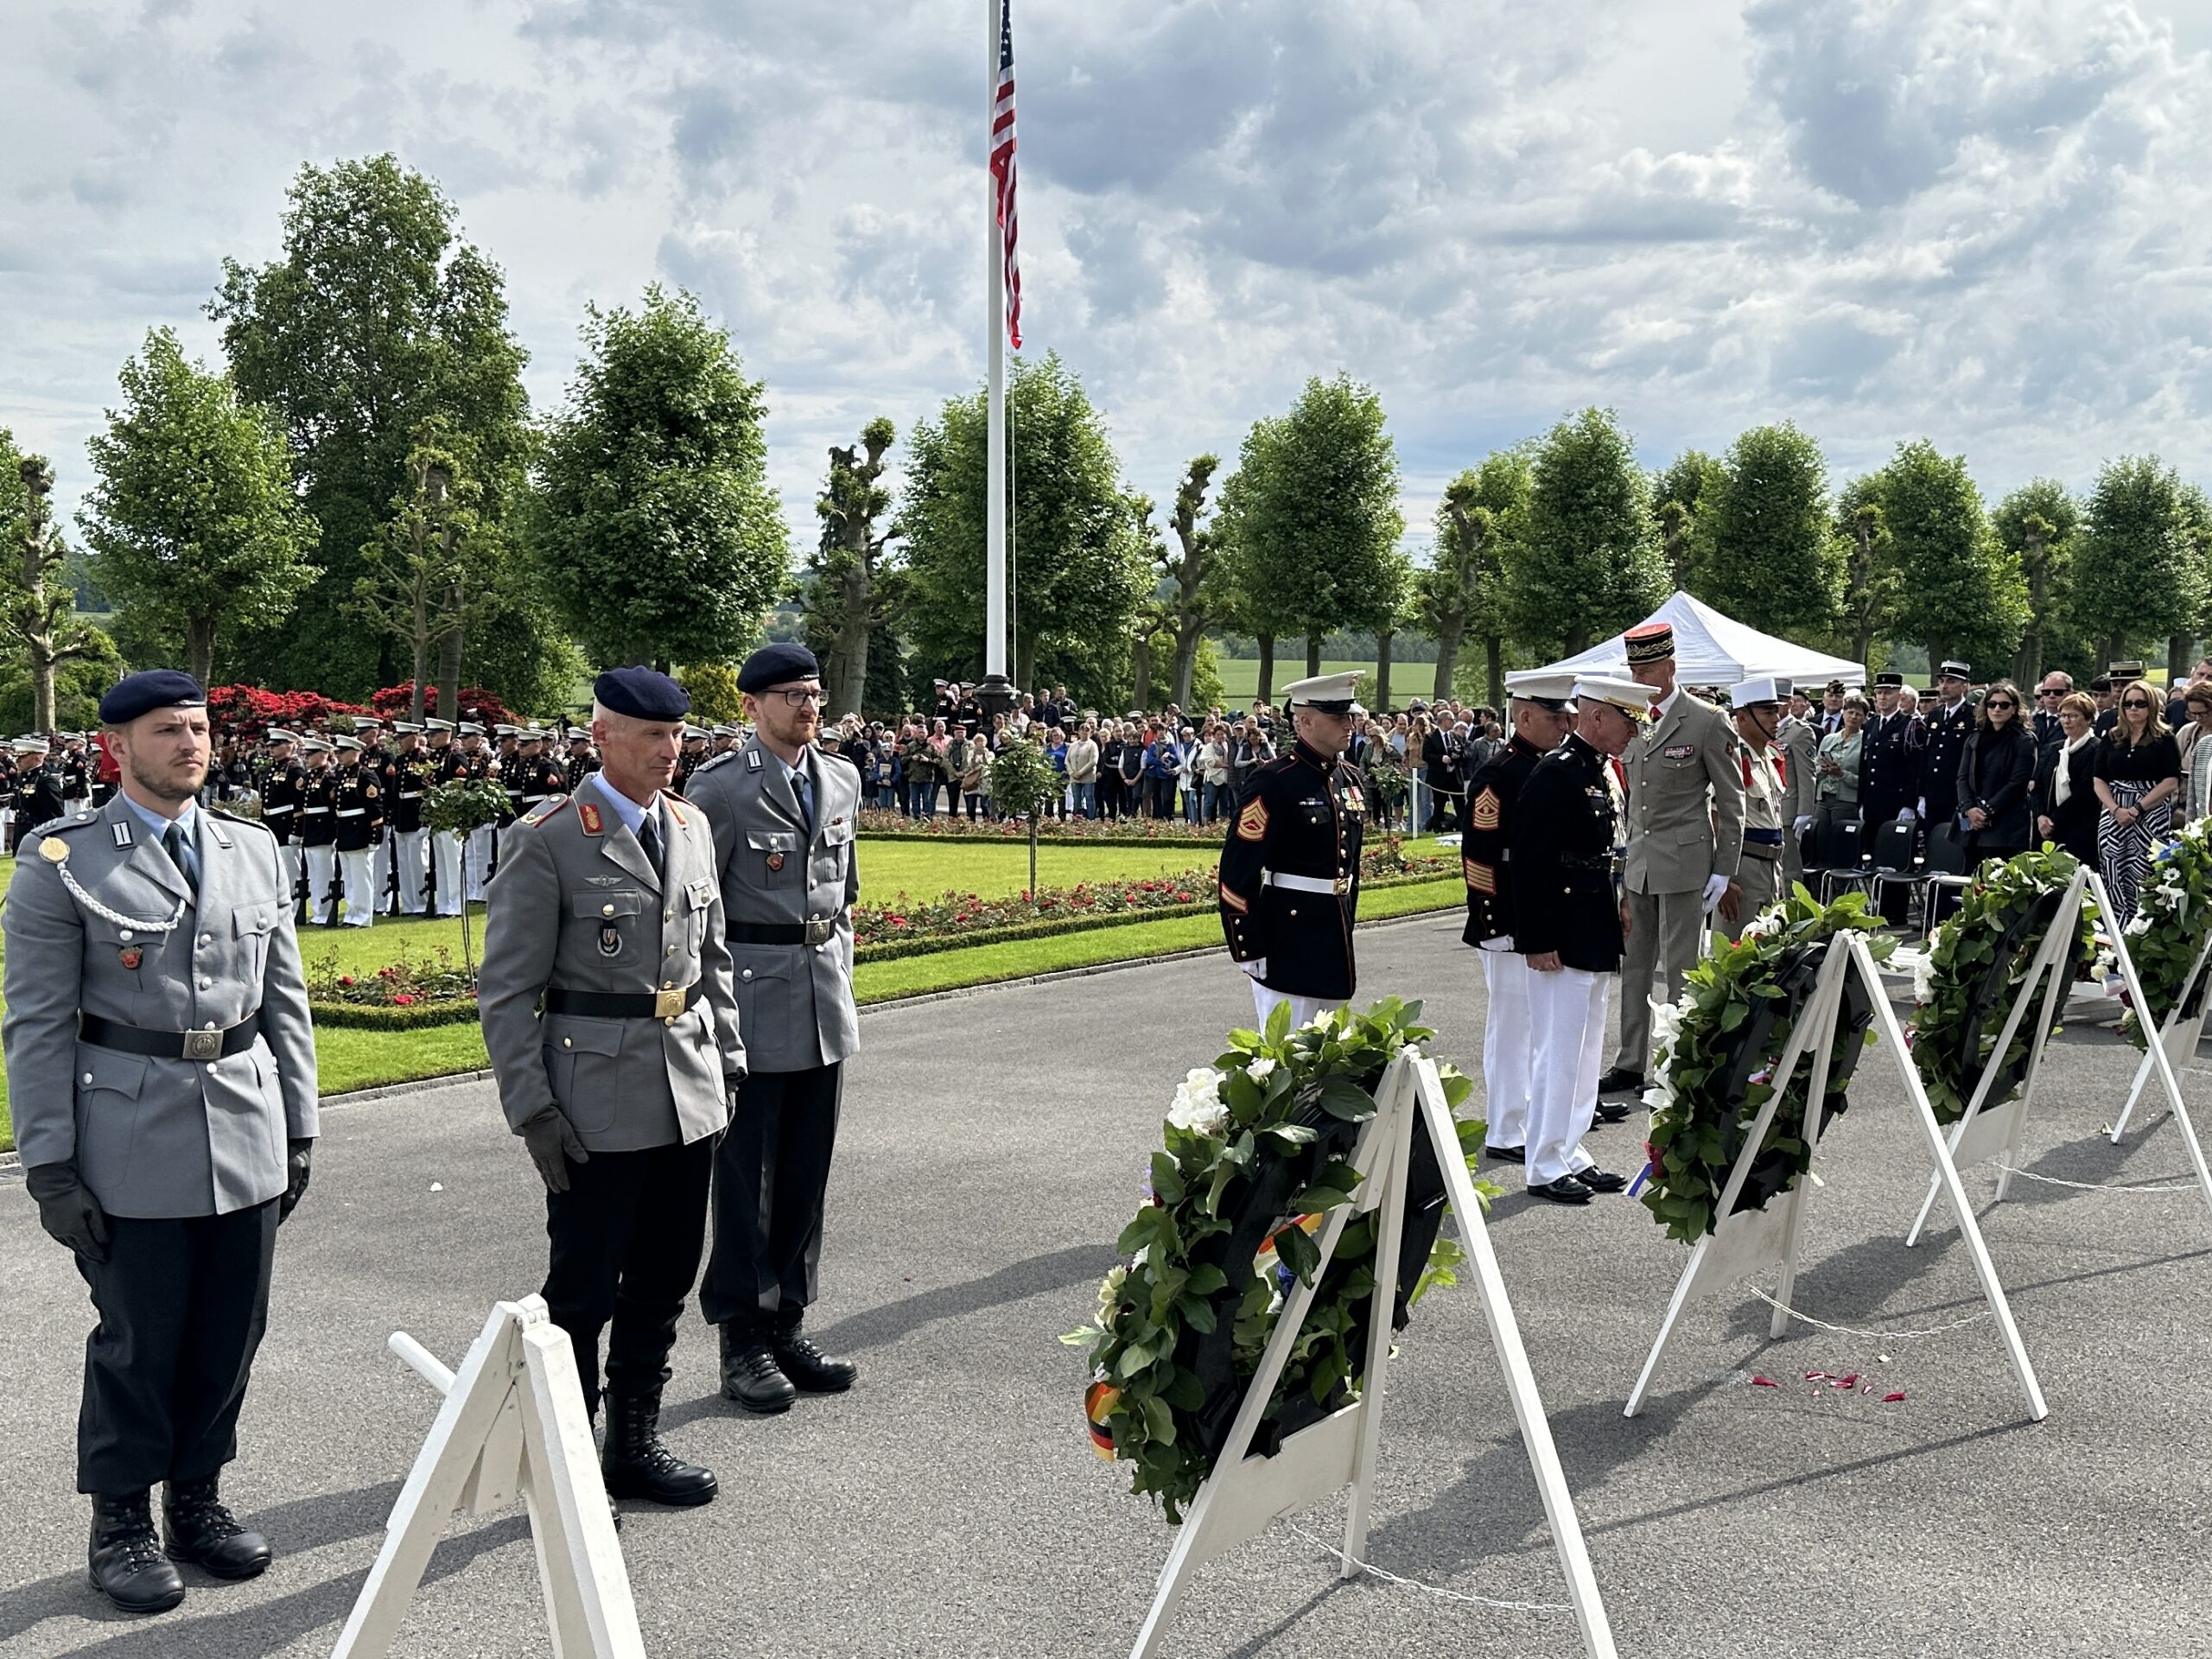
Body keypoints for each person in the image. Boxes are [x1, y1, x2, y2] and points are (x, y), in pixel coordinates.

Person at [4, 670, 317, 1615]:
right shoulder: (63, 860)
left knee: (229, 1334)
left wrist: (299, 1125)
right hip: (129, 1134)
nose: (191, 744)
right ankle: (122, 1519)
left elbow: (284, 1004)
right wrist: (50, 1162)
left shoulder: (251, 849)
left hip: (247, 1123)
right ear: (118, 749)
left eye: (198, 728)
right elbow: (39, 1024)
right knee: (141, 1341)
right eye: (167, 731)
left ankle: (199, 1499)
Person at [476, 666, 743, 1510]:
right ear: (602, 739)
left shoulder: (691, 826)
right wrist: (531, 1107)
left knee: (666, 1277)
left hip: (688, 1091)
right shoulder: (551, 837)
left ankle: (632, 1443)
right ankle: (567, 1467)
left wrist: (727, 1068)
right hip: (593, 1102)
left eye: (677, 735)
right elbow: (506, 989)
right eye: (652, 736)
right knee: (584, 1291)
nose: (673, 750)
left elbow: (715, 966)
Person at [685, 644, 863, 1415]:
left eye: (814, 693)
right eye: (791, 695)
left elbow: (843, 890)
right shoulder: (720, 789)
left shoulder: (843, 778)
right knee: (745, 1181)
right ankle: (741, 1338)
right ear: (752, 706)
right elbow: (699, 909)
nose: (808, 707)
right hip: (752, 1001)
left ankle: (788, 1320)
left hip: (822, 997)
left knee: (804, 1176)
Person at [1509, 674, 1647, 1205]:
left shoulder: (1598, 771)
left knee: (1587, 1049)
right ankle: (1543, 1163)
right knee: (1558, 1051)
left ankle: (1570, 1150)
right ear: (1597, 718)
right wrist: (1537, 938)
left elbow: (1603, 854)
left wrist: (1620, 907)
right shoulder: (1556, 774)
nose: (1633, 730)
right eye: (1627, 719)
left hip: (1592, 921)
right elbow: (1529, 863)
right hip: (1561, 930)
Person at [1599, 623, 1745, 1097]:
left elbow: (1731, 798)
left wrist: (1725, 869)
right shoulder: (1632, 718)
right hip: (1640, 863)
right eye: (1634, 669)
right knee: (1636, 966)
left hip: (1685, 863)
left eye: (1647, 668)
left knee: (1682, 968)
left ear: (1671, 666)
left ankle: (1676, 1059)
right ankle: (1630, 1061)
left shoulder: (1705, 719)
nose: (1639, 678)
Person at [1461, 672, 1575, 1169]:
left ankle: (1530, 1116)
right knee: (1512, 1026)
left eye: (1568, 716)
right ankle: (1505, 1125)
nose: (1564, 725)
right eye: (1554, 717)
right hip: (1507, 916)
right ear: (1523, 716)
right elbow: (1480, 857)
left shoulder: (1554, 766)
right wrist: (1494, 923)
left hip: (1542, 911)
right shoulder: (1500, 772)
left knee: (1538, 1026)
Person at [1217, 672, 1367, 1030]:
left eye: (1350, 716)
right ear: (1304, 721)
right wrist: (1246, 944)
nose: (1350, 724)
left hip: (1335, 934)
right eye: (1337, 717)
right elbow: (1238, 869)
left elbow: (1350, 865)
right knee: (1285, 1063)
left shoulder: (1350, 778)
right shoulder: (1275, 780)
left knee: (1332, 1061)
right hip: (1288, 935)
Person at [2093, 678, 2183, 930]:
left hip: (2149, 812)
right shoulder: (2112, 737)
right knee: (2112, 868)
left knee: (2143, 872)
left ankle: (2142, 930)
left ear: (2151, 706)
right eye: (2128, 703)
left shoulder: (2164, 738)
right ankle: (2115, 930)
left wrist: (2138, 808)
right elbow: (2098, 779)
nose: (2134, 709)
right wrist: (2115, 809)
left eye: (2140, 704)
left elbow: (2170, 781)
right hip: (2114, 811)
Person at [1719, 678, 1789, 939]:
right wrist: (1723, 880)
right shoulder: (1732, 759)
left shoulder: (1771, 756)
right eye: (1767, 712)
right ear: (1743, 717)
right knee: (1735, 954)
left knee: (1767, 952)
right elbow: (1716, 819)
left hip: (1771, 865)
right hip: (1742, 866)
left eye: (1776, 711)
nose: (1776, 718)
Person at [1955, 678, 2037, 868]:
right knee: (1968, 883)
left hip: (2004, 826)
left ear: (2015, 709)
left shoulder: (2024, 740)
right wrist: (1969, 809)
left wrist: (1985, 812)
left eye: (2004, 705)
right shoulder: (1974, 737)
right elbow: (1962, 777)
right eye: (1992, 704)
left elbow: (2018, 782)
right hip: (1971, 825)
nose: (1997, 709)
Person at [2031, 691, 2101, 863]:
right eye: (2063, 716)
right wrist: (2041, 816)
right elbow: (2037, 786)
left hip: (2079, 830)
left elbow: (2085, 793)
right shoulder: (2053, 749)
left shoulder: (2096, 749)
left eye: (2073, 716)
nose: (2066, 721)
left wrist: (2054, 821)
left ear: (2087, 719)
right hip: (2046, 829)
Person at [1775, 685, 1821, 889]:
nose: (1775, 707)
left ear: (1790, 703)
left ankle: (1792, 912)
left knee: (1789, 869)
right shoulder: (1767, 727)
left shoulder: (1799, 732)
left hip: (1788, 808)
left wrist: (1804, 812)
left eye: (1780, 701)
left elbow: (1807, 773)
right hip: (1768, 806)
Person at [1813, 694, 1866, 835]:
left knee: (1839, 841)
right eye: (1850, 712)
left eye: (1858, 714)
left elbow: (1865, 780)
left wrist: (1842, 774)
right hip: (1823, 799)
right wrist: (1823, 769)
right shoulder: (1828, 739)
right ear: (1843, 714)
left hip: (1847, 800)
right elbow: (1814, 770)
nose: (1853, 717)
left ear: (1864, 718)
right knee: (1819, 839)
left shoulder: (1866, 742)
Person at [2180, 682, 2212, 823]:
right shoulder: (2186, 733)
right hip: (2183, 806)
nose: (2198, 719)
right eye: (2193, 714)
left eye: (2203, 714)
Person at [2032, 671, 2074, 746]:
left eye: (2058, 692)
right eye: (2046, 692)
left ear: (2070, 693)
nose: (2051, 696)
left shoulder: (2077, 721)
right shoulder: (2032, 720)